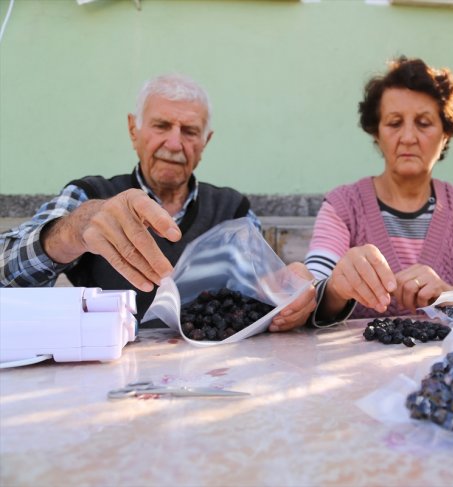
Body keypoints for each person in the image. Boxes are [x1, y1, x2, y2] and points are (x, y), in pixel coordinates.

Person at [0, 74, 314, 331]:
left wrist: (290, 296)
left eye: (190, 131)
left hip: (212, 379)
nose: (174, 143)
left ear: (206, 142)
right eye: (161, 126)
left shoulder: (232, 209)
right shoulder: (90, 196)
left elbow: (260, 294)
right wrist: (69, 232)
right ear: (133, 130)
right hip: (113, 377)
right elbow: (5, 274)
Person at [305, 57, 453, 324]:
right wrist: (336, 287)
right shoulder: (343, 206)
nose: (409, 137)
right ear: (376, 133)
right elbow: (309, 294)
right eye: (394, 123)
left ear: (446, 133)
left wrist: (448, 294)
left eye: (424, 123)